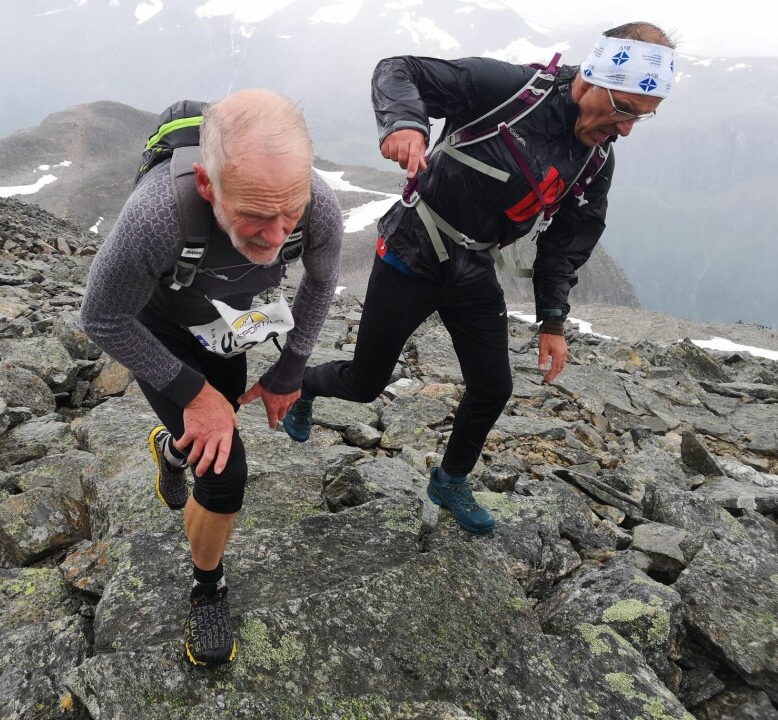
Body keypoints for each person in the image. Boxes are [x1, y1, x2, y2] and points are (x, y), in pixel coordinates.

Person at [284, 22, 675, 534]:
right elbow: (398, 70)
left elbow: (568, 241)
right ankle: (304, 388)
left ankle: (449, 481)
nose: (625, 129)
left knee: (493, 387)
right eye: (624, 110)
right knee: (365, 383)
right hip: (410, 256)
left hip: (471, 270)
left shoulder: (595, 157)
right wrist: (404, 122)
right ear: (594, 79)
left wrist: (553, 320)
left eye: (639, 119)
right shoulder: (512, 91)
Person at [80, 89, 343, 666]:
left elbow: (321, 282)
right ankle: (207, 591)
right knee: (224, 471)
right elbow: (100, 316)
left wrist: (290, 368)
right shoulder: (156, 215)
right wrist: (192, 394)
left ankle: (170, 453)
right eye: (254, 216)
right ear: (207, 184)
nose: (276, 239)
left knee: (203, 439)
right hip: (158, 326)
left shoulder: (317, 205)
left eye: (288, 215)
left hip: (225, 324)